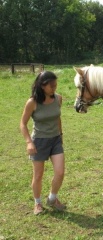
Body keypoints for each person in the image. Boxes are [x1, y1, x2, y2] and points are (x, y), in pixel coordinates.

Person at [20, 71, 66, 215]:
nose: (54, 88)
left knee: (60, 172)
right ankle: (37, 203)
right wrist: (29, 142)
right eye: (51, 86)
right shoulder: (32, 102)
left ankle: (52, 198)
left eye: (55, 85)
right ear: (42, 85)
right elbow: (22, 124)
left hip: (56, 140)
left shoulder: (58, 98)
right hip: (39, 142)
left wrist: (61, 134)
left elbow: (57, 117)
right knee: (38, 175)